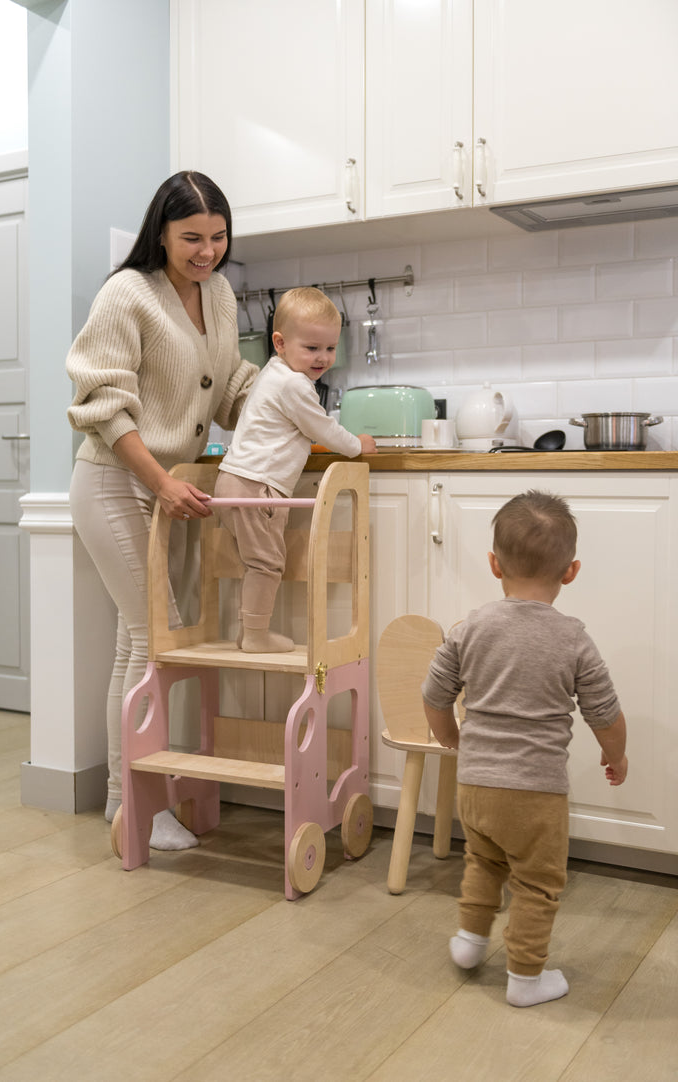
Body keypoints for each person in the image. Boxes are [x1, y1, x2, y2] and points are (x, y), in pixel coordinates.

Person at [67, 171, 259, 850]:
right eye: (191, 238)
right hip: (119, 483)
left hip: (169, 491)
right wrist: (161, 481)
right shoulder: (127, 294)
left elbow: (229, 384)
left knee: (136, 641)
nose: (207, 250)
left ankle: (129, 807)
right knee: (157, 639)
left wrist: (290, 404)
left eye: (218, 236)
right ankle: (138, 810)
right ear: (162, 232)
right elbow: (101, 402)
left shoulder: (220, 293)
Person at [421, 490, 628, 1008]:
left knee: (483, 861)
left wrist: (450, 737)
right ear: (571, 571)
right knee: (537, 885)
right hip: (535, 794)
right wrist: (616, 756)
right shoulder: (574, 639)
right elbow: (605, 712)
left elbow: (434, 693)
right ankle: (526, 979)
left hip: (475, 785)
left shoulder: (472, 627)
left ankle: (470, 942)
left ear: (494, 564)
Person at [214, 287, 376, 652]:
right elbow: (322, 427)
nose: (323, 358)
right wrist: (356, 445)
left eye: (330, 348)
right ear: (280, 343)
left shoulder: (272, 374)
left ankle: (248, 632)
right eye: (312, 348)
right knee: (267, 565)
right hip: (257, 486)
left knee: (255, 562)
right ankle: (255, 635)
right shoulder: (295, 385)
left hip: (234, 480)